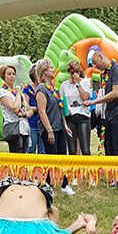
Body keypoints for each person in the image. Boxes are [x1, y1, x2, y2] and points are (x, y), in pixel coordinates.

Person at [34, 60, 75, 196]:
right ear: (44, 71)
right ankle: (48, 185)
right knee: (52, 158)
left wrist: (64, 125)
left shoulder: (53, 88)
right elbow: (42, 112)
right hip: (49, 129)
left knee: (63, 156)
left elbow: (59, 109)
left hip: (59, 128)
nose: (53, 70)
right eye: (51, 67)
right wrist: (49, 130)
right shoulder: (41, 89)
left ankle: (64, 184)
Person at [84, 47, 118, 163]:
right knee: (108, 145)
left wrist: (94, 102)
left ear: (101, 57)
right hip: (107, 114)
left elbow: (115, 93)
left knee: (116, 145)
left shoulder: (117, 69)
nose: (95, 67)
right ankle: (112, 177)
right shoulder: (103, 74)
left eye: (95, 63)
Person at [61, 61, 93, 162]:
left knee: (85, 149)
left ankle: (89, 173)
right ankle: (74, 173)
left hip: (83, 117)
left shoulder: (85, 82)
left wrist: (77, 84)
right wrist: (66, 112)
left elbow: (85, 98)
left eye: (75, 72)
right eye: (71, 72)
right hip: (70, 118)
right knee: (72, 149)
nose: (73, 74)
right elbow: (62, 102)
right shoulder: (64, 85)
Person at [0, 64, 32, 154]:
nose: (12, 76)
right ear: (3, 76)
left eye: (13, 74)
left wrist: (24, 114)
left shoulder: (19, 94)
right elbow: (15, 108)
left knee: (25, 154)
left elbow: (30, 110)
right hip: (13, 129)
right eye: (9, 74)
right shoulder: (3, 92)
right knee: (16, 154)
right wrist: (19, 93)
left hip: (25, 128)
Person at [23, 65, 46, 155]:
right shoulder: (27, 89)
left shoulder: (45, 88)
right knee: (31, 149)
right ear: (36, 76)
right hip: (32, 124)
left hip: (43, 123)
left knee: (43, 151)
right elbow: (26, 106)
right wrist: (39, 108)